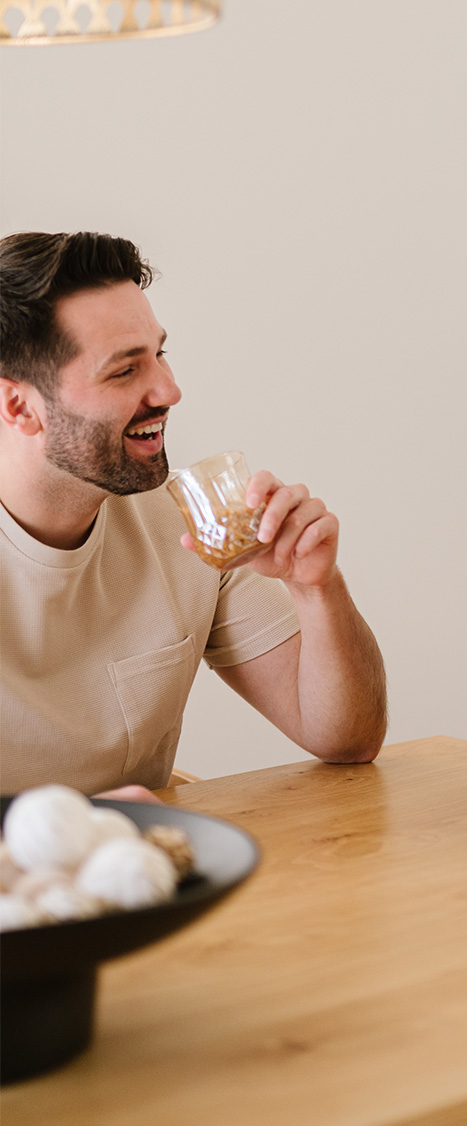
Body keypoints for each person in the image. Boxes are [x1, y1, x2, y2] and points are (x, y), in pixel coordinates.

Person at [0, 231, 387, 803]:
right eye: (124, 371)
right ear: (18, 406)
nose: (169, 389)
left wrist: (317, 589)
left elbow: (346, 739)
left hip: (149, 878)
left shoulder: (191, 524)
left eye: (159, 353)